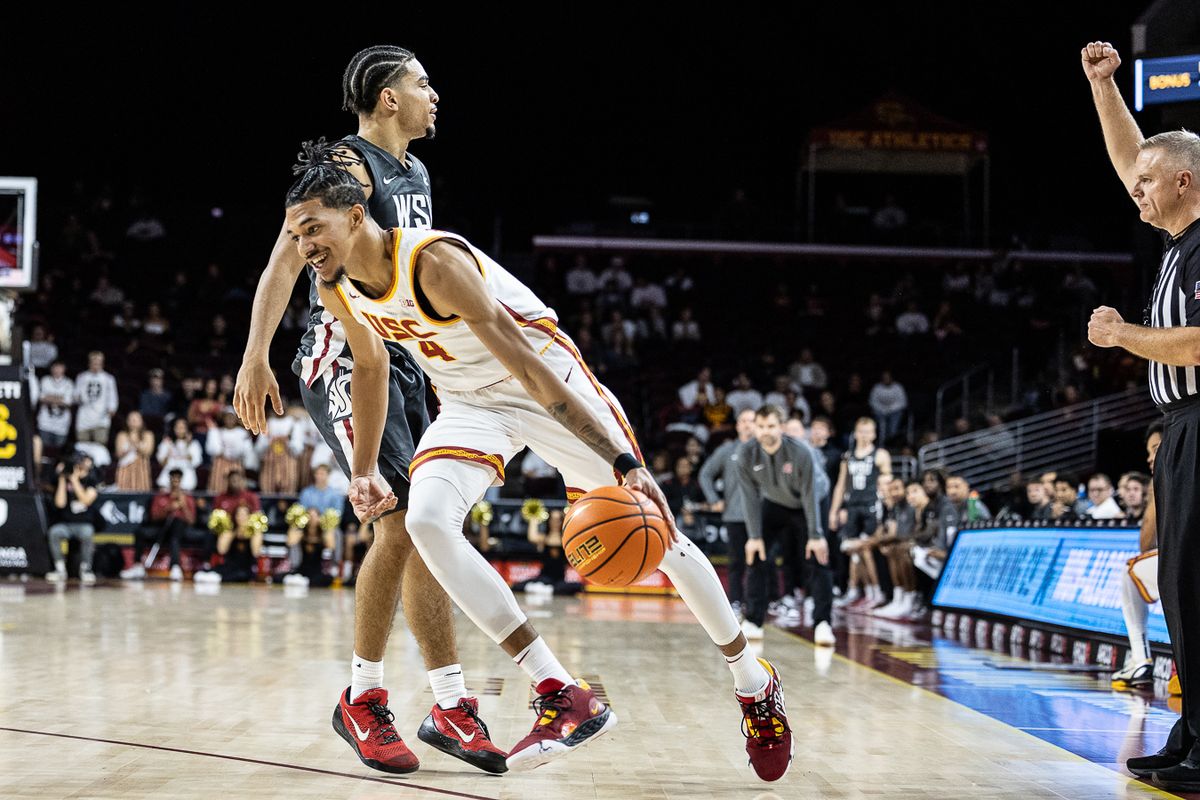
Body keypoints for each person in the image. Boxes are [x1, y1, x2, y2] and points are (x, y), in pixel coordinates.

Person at [283, 160, 793, 782]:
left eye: (314, 229)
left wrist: (623, 462)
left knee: (657, 535)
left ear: (356, 216)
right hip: (469, 403)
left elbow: (528, 364)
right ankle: (559, 690)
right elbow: (370, 367)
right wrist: (364, 469)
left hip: (546, 383)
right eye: (296, 235)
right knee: (426, 520)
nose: (304, 247)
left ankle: (752, 682)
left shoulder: (434, 264)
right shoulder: (336, 286)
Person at [232, 45, 502, 775]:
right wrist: (256, 354)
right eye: (422, 83)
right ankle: (364, 696)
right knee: (399, 520)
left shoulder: (417, 173)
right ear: (388, 98)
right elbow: (283, 262)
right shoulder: (347, 167)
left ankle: (448, 704)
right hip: (345, 357)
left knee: (430, 527)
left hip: (402, 359)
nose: (433, 95)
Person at [1083, 39, 1200, 788]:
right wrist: (1104, 87)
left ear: (1186, 182)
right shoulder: (1178, 238)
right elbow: (1135, 158)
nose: (1136, 191)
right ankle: (1191, 736)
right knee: (1181, 587)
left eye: (1150, 183)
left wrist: (1125, 334)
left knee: (1197, 584)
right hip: (1181, 429)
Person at [732, 406, 832, 647]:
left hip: (810, 502)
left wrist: (815, 534)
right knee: (756, 553)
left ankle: (822, 623)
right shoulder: (746, 453)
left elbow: (810, 493)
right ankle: (753, 620)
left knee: (818, 557)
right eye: (761, 426)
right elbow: (749, 496)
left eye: (771, 426)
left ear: (782, 427)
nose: (765, 431)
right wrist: (754, 536)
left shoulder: (801, 452)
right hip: (775, 502)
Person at [1113, 422, 1163, 691]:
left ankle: (1141, 659)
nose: (1150, 458)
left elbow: (1146, 542)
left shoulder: (1165, 477)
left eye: (1155, 449)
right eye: (1148, 452)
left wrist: (1155, 492)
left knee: (1130, 571)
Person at [699, 408, 757, 617]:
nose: (748, 425)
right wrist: (714, 499)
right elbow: (705, 474)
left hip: (761, 516)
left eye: (752, 421)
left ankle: (760, 603)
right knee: (736, 562)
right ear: (738, 425)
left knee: (761, 562)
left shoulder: (764, 449)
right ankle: (735, 601)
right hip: (734, 515)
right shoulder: (727, 450)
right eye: (744, 421)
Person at [828, 418, 892, 606]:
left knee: (865, 548)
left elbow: (887, 480)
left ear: (874, 434)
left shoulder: (880, 454)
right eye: (861, 431)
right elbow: (841, 485)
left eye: (868, 431)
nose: (864, 435)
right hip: (852, 506)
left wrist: (889, 504)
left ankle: (876, 591)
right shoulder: (848, 457)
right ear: (855, 433)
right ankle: (855, 589)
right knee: (852, 550)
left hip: (871, 505)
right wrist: (834, 510)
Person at [121, 468, 195, 582]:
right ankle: (137, 566)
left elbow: (191, 520)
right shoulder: (161, 497)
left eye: (177, 479)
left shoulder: (187, 498)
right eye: (173, 479)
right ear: (169, 480)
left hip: (179, 530)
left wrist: (183, 505)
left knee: (176, 529)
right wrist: (169, 508)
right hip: (161, 527)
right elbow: (154, 516)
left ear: (181, 481)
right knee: (140, 532)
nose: (175, 482)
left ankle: (175, 567)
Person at [45, 454, 99, 584]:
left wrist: (74, 481)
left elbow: (86, 500)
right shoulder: (64, 480)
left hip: (84, 523)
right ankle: (60, 569)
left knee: (87, 533)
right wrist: (62, 479)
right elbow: (60, 503)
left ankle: (86, 569)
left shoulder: (91, 480)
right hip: (66, 524)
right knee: (54, 532)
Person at [74, 351, 118, 445]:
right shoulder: (82, 377)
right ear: (89, 363)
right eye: (94, 362)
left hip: (101, 418)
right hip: (84, 418)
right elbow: (76, 396)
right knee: (82, 445)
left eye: (98, 362)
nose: (96, 365)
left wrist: (112, 409)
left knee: (100, 445)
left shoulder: (108, 378)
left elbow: (112, 397)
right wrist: (79, 398)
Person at [156, 417, 203, 491]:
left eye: (182, 428)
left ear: (187, 429)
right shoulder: (167, 442)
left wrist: (187, 446)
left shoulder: (194, 444)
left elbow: (196, 462)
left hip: (186, 480)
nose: (180, 430)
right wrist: (168, 451)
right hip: (167, 479)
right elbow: (161, 462)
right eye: (177, 427)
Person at [37, 360, 74, 453]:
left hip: (62, 425)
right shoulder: (45, 380)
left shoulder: (68, 383)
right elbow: (41, 398)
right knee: (44, 451)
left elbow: (68, 402)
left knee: (59, 452)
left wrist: (50, 397)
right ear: (51, 368)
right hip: (45, 423)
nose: (57, 370)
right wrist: (60, 398)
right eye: (55, 367)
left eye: (60, 367)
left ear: (64, 369)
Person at [114, 411, 155, 492]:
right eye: (131, 419)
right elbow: (118, 454)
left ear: (141, 421)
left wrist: (135, 444)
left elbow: (148, 452)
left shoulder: (148, 435)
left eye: (136, 419)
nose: (133, 422)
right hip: (125, 467)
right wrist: (127, 449)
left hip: (141, 467)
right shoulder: (122, 435)